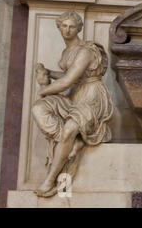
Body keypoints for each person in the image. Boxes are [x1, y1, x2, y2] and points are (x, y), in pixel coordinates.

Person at [32, 10, 113, 197]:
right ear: (59, 27)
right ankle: (71, 143)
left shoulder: (86, 51)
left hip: (92, 96)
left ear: (79, 29)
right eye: (64, 26)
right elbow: (71, 77)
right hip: (75, 95)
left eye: (72, 27)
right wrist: (49, 73)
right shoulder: (67, 51)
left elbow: (68, 80)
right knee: (39, 108)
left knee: (69, 129)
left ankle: (49, 181)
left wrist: (43, 90)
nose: (67, 30)